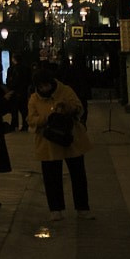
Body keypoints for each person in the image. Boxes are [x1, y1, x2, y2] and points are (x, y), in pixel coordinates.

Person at [26, 64, 91, 222]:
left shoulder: (65, 91)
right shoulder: (34, 98)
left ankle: (82, 208)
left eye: (46, 84)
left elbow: (78, 107)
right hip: (48, 141)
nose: (45, 88)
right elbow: (31, 119)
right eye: (41, 86)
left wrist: (65, 108)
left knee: (78, 175)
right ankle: (55, 209)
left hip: (70, 138)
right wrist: (47, 117)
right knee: (51, 176)